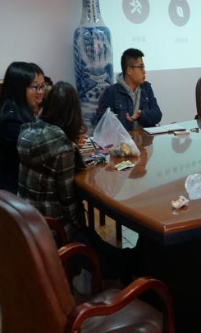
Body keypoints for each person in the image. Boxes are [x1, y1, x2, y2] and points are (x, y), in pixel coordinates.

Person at [18, 81, 133, 281]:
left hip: (28, 222)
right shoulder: (62, 149)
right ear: (73, 113)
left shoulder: (27, 132)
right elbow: (69, 205)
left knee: (102, 241)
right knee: (115, 260)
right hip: (54, 231)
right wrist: (85, 227)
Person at [0, 61, 45, 193]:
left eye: (43, 86)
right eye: (36, 87)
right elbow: (39, 151)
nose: (41, 92)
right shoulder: (11, 120)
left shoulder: (22, 110)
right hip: (16, 190)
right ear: (19, 89)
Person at [95, 48, 162, 131]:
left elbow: (157, 115)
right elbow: (101, 121)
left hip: (145, 138)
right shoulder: (111, 92)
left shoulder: (146, 88)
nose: (144, 71)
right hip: (123, 138)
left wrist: (141, 115)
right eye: (141, 67)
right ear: (129, 70)